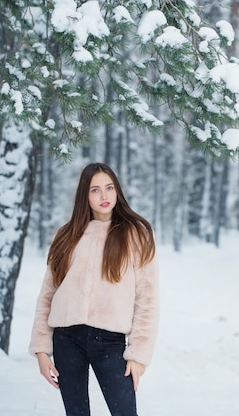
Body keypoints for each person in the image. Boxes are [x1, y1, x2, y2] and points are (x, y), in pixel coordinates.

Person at [29, 162, 159, 416]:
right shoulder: (66, 235)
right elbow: (48, 295)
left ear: (117, 191)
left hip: (110, 342)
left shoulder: (136, 234)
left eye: (109, 188)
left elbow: (147, 298)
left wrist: (138, 355)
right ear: (84, 196)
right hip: (67, 339)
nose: (104, 196)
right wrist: (41, 349)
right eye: (95, 190)